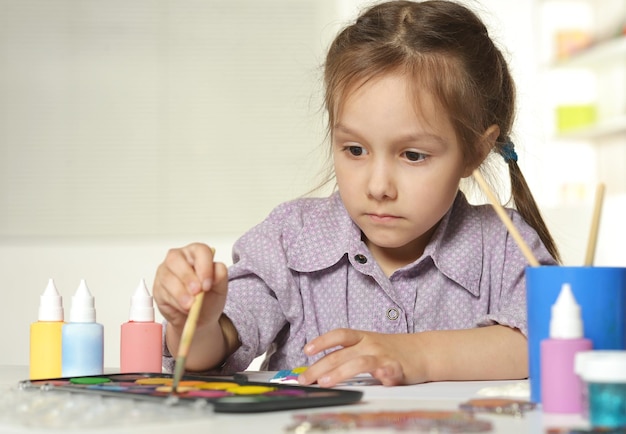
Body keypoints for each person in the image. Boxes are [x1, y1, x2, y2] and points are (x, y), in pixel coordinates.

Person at [153, 0, 560, 387]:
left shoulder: (504, 245)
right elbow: (208, 354)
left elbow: (549, 341)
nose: (378, 187)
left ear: (475, 151)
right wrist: (196, 323)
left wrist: (416, 356)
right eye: (355, 150)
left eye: (413, 155)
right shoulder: (289, 238)